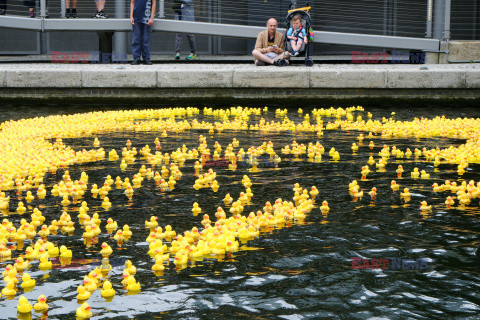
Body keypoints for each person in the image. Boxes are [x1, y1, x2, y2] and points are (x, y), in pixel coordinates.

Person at [130, 0, 155, 65]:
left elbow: (154, 3)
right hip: (136, 18)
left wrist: (152, 17)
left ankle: (146, 58)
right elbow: (132, 2)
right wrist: (131, 16)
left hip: (146, 18)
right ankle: (136, 58)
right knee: (136, 38)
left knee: (145, 39)